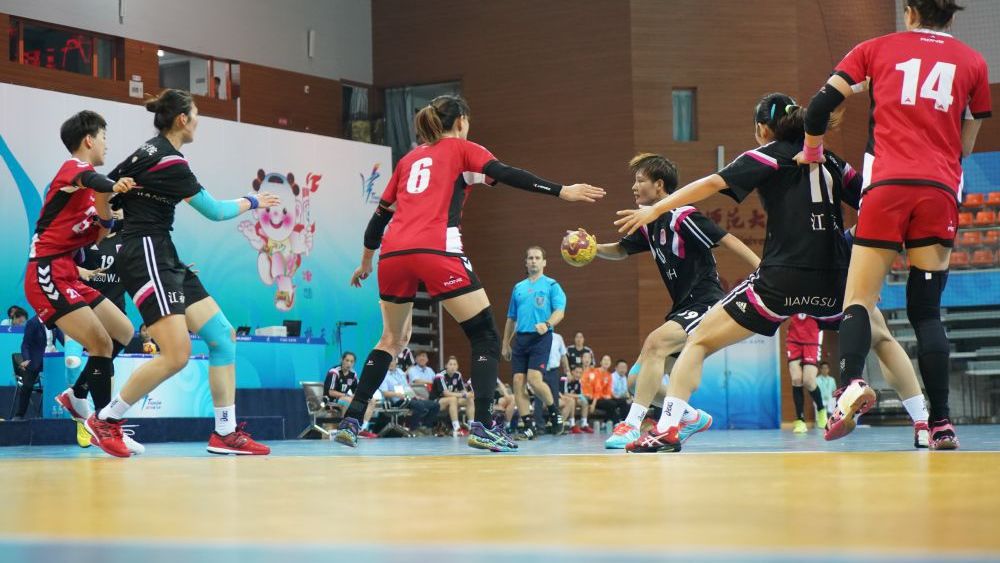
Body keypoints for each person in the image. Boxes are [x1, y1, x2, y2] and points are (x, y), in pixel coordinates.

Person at [616, 92, 931, 453]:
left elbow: (710, 184)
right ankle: (924, 423)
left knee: (699, 340)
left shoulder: (767, 155)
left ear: (763, 128)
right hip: (836, 279)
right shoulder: (831, 160)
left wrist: (656, 210)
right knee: (883, 339)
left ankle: (668, 427)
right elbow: (873, 202)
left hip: (781, 280)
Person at [337, 94, 604, 452]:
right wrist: (562, 191)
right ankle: (483, 424)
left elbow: (379, 218)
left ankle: (352, 419)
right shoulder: (463, 149)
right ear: (461, 121)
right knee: (485, 336)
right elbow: (506, 173)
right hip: (437, 250)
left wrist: (366, 261)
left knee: (391, 340)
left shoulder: (409, 160)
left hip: (393, 254)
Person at [796, 0, 990, 449]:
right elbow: (966, 143)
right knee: (927, 312)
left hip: (886, 186)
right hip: (938, 190)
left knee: (859, 300)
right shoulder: (974, 63)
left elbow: (818, 107)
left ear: (909, 11)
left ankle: (850, 386)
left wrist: (812, 149)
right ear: (951, 16)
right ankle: (940, 423)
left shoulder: (875, 48)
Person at [92, 89, 281, 457]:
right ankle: (106, 419)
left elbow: (104, 189)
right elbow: (215, 211)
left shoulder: (149, 151)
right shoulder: (169, 161)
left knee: (222, 336)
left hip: (163, 252)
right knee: (177, 354)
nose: (198, 121)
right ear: (182, 119)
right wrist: (254, 201)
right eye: (195, 114)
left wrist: (107, 220)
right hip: (146, 252)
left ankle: (224, 433)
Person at [583, 152, 759, 449]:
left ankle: (631, 425)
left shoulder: (683, 216)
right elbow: (621, 250)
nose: (634, 187)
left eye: (640, 180)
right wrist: (592, 248)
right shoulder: (648, 223)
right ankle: (690, 417)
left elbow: (728, 239)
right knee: (636, 382)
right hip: (682, 307)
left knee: (655, 342)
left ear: (659, 185)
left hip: (705, 302)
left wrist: (762, 269)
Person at [20, 110, 139, 450]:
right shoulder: (72, 170)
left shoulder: (91, 193)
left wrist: (108, 209)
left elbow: (99, 233)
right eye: (104, 137)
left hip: (68, 273)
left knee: (124, 331)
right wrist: (111, 186)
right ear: (89, 139)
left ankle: (77, 395)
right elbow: (94, 180)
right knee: (100, 343)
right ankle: (105, 425)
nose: (106, 144)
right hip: (45, 272)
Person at [502, 246, 565, 439]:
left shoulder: (552, 285)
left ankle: (554, 413)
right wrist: (505, 343)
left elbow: (559, 311)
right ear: (526, 262)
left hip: (541, 338)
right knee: (517, 382)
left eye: (537, 258)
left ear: (544, 262)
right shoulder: (518, 288)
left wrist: (547, 324)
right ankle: (529, 427)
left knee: (534, 380)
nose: (534, 261)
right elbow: (511, 318)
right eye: (530, 258)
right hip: (521, 339)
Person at [12, 315, 63, 420]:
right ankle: (19, 415)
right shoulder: (33, 323)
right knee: (27, 386)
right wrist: (26, 359)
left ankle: (59, 413)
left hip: (52, 359)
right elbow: (25, 345)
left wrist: (78, 350)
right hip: (35, 360)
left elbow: (63, 340)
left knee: (61, 380)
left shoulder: (54, 321)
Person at [786, 314, 827, 433]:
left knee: (808, 381)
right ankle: (800, 420)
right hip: (793, 336)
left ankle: (821, 410)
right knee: (796, 379)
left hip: (812, 336)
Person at [379, 357, 440, 435]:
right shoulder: (383, 374)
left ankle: (425, 427)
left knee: (435, 405)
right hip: (396, 401)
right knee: (419, 406)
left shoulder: (400, 372)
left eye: (393, 361)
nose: (391, 363)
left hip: (408, 398)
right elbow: (385, 393)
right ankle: (413, 429)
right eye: (389, 361)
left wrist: (415, 396)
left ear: (396, 362)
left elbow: (407, 387)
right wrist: (397, 394)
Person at [325, 352, 377, 439]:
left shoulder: (353, 374)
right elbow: (331, 392)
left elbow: (357, 391)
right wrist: (347, 395)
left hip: (346, 399)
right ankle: (346, 429)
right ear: (341, 360)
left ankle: (362, 429)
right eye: (347, 360)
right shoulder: (334, 372)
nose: (349, 363)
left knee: (371, 400)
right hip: (332, 401)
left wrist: (364, 396)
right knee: (349, 401)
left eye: (352, 361)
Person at [534, 330, 569, 431]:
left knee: (554, 399)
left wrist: (567, 370)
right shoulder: (537, 336)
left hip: (553, 371)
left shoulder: (558, 337)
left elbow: (563, 355)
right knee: (539, 398)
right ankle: (539, 426)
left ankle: (554, 425)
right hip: (540, 370)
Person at [431, 356, 474, 437]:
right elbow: (446, 393)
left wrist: (468, 394)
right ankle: (456, 428)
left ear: (457, 366)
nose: (453, 366)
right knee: (453, 399)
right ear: (446, 366)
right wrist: (464, 394)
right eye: (450, 364)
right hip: (435, 402)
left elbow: (463, 390)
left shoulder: (458, 375)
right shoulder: (440, 375)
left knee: (469, 399)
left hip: (451, 401)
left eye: (454, 364)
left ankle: (472, 427)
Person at [559, 365, 588, 433]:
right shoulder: (564, 378)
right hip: (560, 397)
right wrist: (579, 396)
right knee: (572, 400)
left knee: (584, 402)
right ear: (572, 372)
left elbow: (579, 394)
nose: (578, 375)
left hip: (570, 398)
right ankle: (572, 424)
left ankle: (584, 424)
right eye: (576, 372)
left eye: (580, 373)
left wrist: (580, 396)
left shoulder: (579, 381)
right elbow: (564, 393)